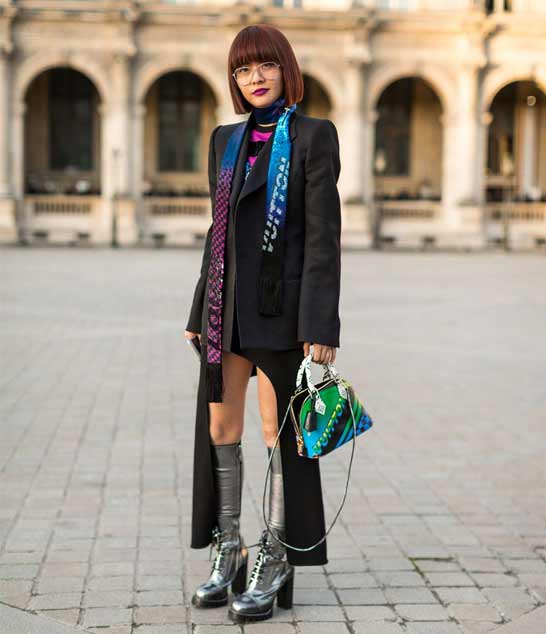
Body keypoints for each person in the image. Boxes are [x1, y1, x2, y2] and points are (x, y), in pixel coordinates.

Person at [184, 23, 341, 624]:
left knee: (279, 431)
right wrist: (199, 307)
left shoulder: (313, 136)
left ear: (286, 69)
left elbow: (324, 237)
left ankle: (274, 556)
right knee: (221, 425)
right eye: (243, 70)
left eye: (264, 66)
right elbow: (216, 231)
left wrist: (321, 323)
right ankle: (230, 548)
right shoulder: (224, 139)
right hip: (226, 309)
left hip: (283, 311)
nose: (254, 78)